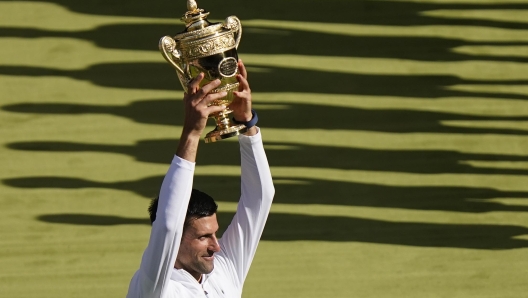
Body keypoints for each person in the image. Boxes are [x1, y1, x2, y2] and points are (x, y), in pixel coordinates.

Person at [126, 60, 275, 298]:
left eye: (214, 233)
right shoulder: (154, 288)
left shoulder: (223, 270)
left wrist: (246, 125)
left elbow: (260, 198)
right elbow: (168, 224)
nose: (216, 246)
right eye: (203, 236)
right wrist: (192, 133)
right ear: (175, 242)